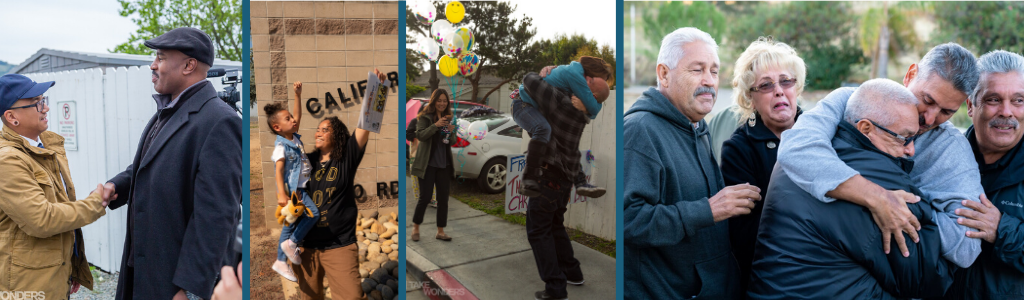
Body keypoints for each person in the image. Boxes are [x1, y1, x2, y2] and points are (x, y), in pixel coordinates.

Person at [776, 43, 983, 268]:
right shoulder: (853, 99)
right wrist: (877, 198)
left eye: (946, 112)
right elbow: (796, 148)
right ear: (911, 74)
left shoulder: (952, 149)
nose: (931, 119)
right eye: (928, 100)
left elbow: (967, 246)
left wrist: (910, 212)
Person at [749, 79, 954, 299]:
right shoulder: (883, 178)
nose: (911, 150)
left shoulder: (804, 153)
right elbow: (926, 276)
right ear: (865, 128)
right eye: (905, 138)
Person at [623, 27, 762, 299]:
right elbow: (628, 219)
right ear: (664, 74)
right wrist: (708, 210)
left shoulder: (698, 125)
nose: (709, 81)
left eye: (714, 70)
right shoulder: (639, 131)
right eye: (697, 70)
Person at [105, 27, 243, 300]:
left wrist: (189, 289)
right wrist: (115, 185)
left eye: (161, 57)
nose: (153, 65)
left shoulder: (220, 121)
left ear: (189, 65)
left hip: (172, 283)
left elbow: (216, 216)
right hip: (145, 269)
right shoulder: (169, 110)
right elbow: (150, 165)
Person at [0, 74, 113, 299]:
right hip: (28, 285)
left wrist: (70, 268)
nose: (46, 108)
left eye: (45, 100)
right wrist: (94, 203)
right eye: (37, 103)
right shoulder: (8, 160)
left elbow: (61, 210)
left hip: (52, 274)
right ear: (12, 117)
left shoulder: (44, 148)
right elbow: (42, 219)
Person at [290, 69, 386, 300]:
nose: (319, 132)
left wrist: (378, 90)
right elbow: (291, 130)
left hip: (339, 244)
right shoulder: (307, 161)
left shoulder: (346, 158)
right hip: (307, 245)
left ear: (337, 136)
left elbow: (368, 124)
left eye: (326, 129)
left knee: (352, 297)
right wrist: (297, 97)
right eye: (318, 129)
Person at [719, 37, 806, 289]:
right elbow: (746, 235)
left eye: (786, 81)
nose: (779, 90)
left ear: (796, 87)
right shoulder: (739, 149)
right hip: (774, 279)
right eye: (766, 85)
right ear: (750, 98)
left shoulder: (822, 132)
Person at [948, 50, 1024, 299]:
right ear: (971, 105)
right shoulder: (943, 160)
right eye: (993, 99)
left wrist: (1001, 229)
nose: (1006, 111)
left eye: (1018, 100)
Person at [519, 71, 591, 300]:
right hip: (564, 180)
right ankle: (573, 272)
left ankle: (556, 288)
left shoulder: (558, 103)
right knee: (555, 225)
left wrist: (543, 73)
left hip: (547, 176)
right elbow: (572, 153)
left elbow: (529, 80)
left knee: (538, 231)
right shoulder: (581, 117)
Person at [513, 56, 611, 198]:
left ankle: (580, 182)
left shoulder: (572, 96)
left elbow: (570, 146)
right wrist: (588, 108)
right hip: (523, 104)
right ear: (590, 74)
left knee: (564, 143)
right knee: (544, 130)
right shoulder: (574, 79)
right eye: (596, 79)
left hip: (536, 108)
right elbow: (594, 109)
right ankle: (529, 179)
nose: (586, 86)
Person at [263, 81, 320, 281]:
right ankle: (292, 243)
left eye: (292, 118)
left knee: (289, 222)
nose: (293, 120)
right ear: (277, 127)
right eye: (288, 119)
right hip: (297, 190)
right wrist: (281, 193)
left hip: (302, 187)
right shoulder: (281, 146)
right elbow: (278, 170)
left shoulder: (293, 137)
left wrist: (297, 95)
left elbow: (298, 116)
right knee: (314, 215)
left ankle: (280, 261)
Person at [411, 89, 458, 242]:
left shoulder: (448, 118)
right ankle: (416, 227)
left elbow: (451, 142)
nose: (442, 103)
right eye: (439, 100)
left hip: (443, 164)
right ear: (434, 101)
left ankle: (440, 231)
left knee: (443, 199)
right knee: (425, 198)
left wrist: (451, 132)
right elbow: (421, 135)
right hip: (428, 165)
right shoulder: (425, 117)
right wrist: (436, 125)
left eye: (445, 101)